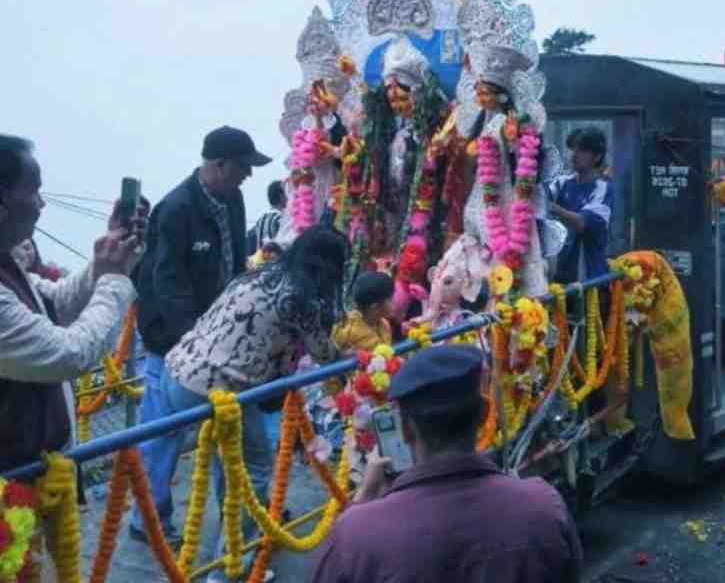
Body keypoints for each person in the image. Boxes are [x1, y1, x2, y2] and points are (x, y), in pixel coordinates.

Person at [158, 225, 347, 582]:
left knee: (231, 466)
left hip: (177, 372)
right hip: (214, 390)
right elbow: (325, 353)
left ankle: (233, 544)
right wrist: (355, 360)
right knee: (256, 467)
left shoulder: (260, 275)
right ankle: (231, 570)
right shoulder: (300, 297)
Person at [310, 345, 582, 583]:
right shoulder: (543, 506)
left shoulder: (356, 536)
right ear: (483, 415)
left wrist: (362, 499)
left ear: (406, 430)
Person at [130, 125, 271, 543]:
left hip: (221, 341)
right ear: (220, 165)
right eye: (243, 167)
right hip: (172, 342)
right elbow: (167, 284)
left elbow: (235, 265)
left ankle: (236, 516)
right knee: (163, 432)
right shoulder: (175, 209)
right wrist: (194, 343)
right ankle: (148, 520)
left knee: (225, 429)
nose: (248, 175)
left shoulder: (233, 199)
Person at [0, 135, 144, 472]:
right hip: (16, 481)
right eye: (34, 191)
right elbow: (69, 354)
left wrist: (111, 256)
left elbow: (57, 304)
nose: (41, 204)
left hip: (42, 470)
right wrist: (114, 280)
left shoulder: (7, 262)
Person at [549, 126, 613, 283]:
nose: (574, 155)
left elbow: (581, 223)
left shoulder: (603, 189)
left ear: (597, 156)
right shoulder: (561, 182)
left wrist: (551, 207)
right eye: (573, 149)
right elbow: (540, 195)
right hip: (560, 277)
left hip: (590, 281)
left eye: (582, 151)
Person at [331, 271, 394, 352]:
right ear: (375, 307)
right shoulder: (347, 333)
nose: (394, 301)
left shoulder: (384, 325)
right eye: (390, 299)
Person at [246, 180, 287, 256]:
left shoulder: (261, 219)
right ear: (281, 196)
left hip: (260, 261)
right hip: (276, 261)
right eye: (287, 192)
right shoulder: (280, 219)